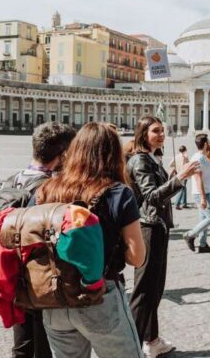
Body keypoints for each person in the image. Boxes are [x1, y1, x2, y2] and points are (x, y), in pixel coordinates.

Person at [34, 122, 146, 358]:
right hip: (98, 295)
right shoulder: (119, 193)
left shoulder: (47, 188)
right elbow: (137, 258)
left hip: (55, 297)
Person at [127, 116, 199, 358]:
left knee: (155, 288)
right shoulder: (140, 160)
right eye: (155, 131)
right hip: (148, 227)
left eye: (163, 131)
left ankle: (151, 339)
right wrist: (180, 178)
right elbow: (151, 196)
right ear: (143, 133)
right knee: (144, 290)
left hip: (157, 226)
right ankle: (131, 347)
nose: (161, 135)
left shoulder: (150, 158)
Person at [6, 122, 76, 358]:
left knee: (23, 343)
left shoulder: (13, 179)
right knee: (44, 344)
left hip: (13, 271)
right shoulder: (49, 188)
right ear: (63, 154)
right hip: (39, 277)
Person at [183, 134, 210, 253]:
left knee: (204, 218)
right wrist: (203, 197)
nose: (209, 144)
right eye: (208, 143)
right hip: (201, 193)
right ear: (204, 144)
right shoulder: (197, 158)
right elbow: (198, 178)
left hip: (206, 192)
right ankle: (190, 234)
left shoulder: (202, 157)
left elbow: (207, 177)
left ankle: (203, 244)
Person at [173, 146, 189, 210]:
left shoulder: (176, 156)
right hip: (183, 174)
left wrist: (176, 168)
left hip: (178, 174)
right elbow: (188, 164)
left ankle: (184, 203)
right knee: (182, 189)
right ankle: (177, 203)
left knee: (184, 188)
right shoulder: (185, 157)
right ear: (185, 150)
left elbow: (170, 164)